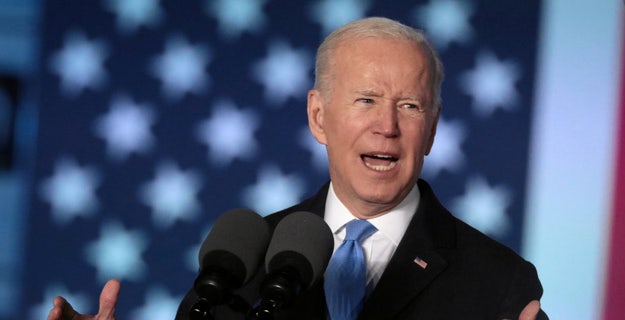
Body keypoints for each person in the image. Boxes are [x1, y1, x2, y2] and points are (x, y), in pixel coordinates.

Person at [48, 17, 546, 320]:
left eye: (411, 106)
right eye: (366, 100)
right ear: (318, 116)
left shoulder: (499, 283)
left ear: (433, 128)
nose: (387, 126)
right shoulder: (241, 261)